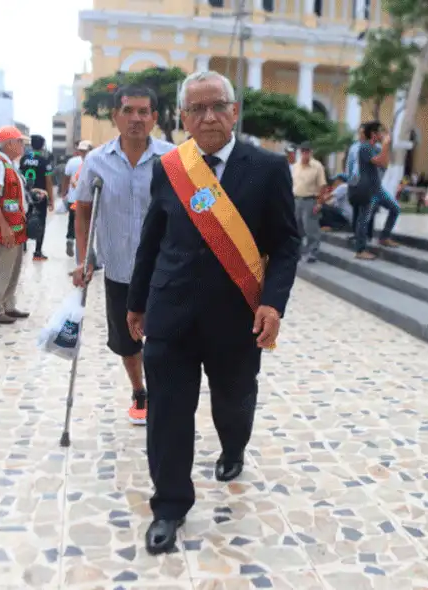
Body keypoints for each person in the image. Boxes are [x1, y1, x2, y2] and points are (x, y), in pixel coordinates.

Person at [126, 70, 299, 555]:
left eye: (217, 106)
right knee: (168, 413)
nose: (208, 117)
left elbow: (286, 244)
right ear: (182, 118)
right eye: (196, 109)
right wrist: (136, 301)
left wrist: (273, 302)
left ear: (234, 110)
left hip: (236, 316)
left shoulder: (267, 168)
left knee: (234, 401)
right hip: (171, 312)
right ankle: (169, 506)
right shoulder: (170, 168)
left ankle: (234, 447)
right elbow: (152, 240)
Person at [72, 86, 173, 426]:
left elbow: (192, 209)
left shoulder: (172, 159)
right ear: (115, 116)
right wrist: (83, 258)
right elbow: (83, 212)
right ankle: (139, 390)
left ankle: (162, 391)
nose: (136, 119)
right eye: (128, 111)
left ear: (154, 118)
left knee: (162, 337)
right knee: (127, 340)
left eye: (144, 112)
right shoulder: (96, 162)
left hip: (163, 270)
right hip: (118, 269)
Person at [0, 126, 37, 324]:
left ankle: (7, 304)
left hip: (16, 224)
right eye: (20, 142)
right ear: (10, 143)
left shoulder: (9, 164)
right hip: (5, 226)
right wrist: (3, 226)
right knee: (3, 267)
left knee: (13, 267)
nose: (23, 146)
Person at [348, 121, 392, 259]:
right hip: (364, 188)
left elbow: (385, 163)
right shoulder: (365, 147)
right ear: (373, 134)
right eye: (380, 132)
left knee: (364, 218)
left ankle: (362, 248)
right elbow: (380, 162)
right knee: (363, 219)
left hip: (371, 188)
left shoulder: (372, 147)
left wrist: (384, 147)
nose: (382, 135)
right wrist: (385, 145)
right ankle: (360, 250)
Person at [20, 134, 55, 261]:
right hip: (40, 196)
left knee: (23, 218)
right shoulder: (44, 161)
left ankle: (22, 246)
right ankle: (37, 252)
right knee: (40, 222)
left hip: (25, 195)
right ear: (42, 146)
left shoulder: (23, 159)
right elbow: (49, 181)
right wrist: (51, 200)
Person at [291, 141, 327, 263]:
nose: (304, 154)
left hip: (310, 200)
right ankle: (298, 252)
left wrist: (319, 203)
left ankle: (313, 252)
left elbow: (322, 186)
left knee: (311, 228)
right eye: (303, 151)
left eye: (307, 151)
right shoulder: (296, 166)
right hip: (296, 200)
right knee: (296, 228)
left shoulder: (317, 166)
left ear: (311, 152)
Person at [61, 140, 93, 258]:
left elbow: (67, 178)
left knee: (72, 220)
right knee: (86, 225)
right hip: (86, 200)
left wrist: (64, 192)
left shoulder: (72, 161)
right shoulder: (93, 161)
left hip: (73, 199)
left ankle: (70, 239)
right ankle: (85, 251)